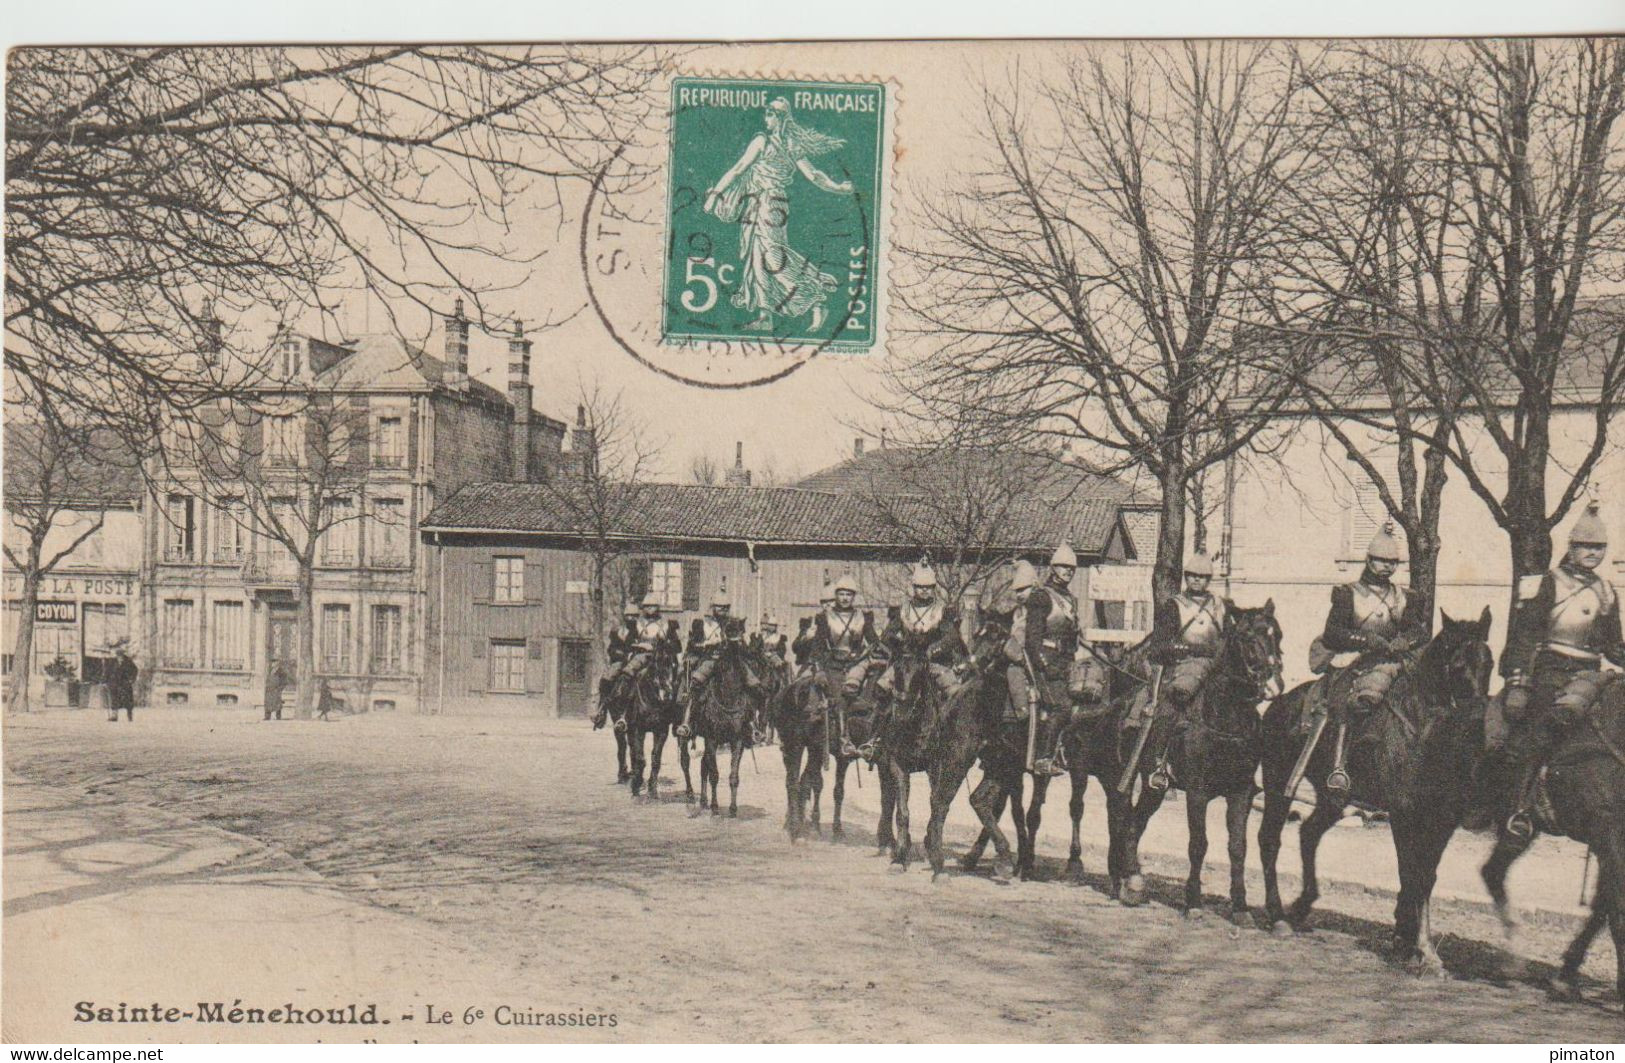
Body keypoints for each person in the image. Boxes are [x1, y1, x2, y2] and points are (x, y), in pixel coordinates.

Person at [1494, 501, 1625, 839]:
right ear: (1572, 547)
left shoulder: (1607, 592)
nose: (1593, 553)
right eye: (1586, 546)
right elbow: (1524, 636)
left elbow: (1613, 646)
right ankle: (1521, 808)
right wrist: (1520, 683)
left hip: (1591, 675)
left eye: (1599, 548)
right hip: (1551, 671)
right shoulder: (1549, 583)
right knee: (1545, 726)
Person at [704, 97, 853, 333]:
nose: (767, 118)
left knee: (772, 256)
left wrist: (715, 194)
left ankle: (816, 298)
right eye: (766, 113)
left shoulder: (764, 142)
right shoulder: (789, 144)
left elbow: (739, 168)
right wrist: (838, 187)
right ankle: (765, 316)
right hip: (770, 204)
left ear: (781, 118)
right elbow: (813, 175)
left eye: (771, 114)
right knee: (758, 257)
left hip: (767, 203)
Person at [1311, 522, 1429, 793]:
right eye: (1381, 561)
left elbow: (1418, 630)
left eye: (1392, 562)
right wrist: (1366, 640)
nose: (1387, 566)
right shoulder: (1347, 594)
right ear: (1368, 560)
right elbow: (1333, 633)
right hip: (1354, 659)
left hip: (1392, 661)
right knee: (1343, 700)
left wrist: (1405, 640)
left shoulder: (1404, 597)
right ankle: (1339, 767)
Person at [1142, 554, 1229, 791]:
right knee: (1170, 708)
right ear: (1187, 577)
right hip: (1181, 667)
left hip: (1213, 669)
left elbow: (1228, 639)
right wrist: (1180, 649)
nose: (1197, 581)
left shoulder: (1220, 606)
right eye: (1193, 576)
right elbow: (1158, 647)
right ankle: (1160, 763)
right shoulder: (1174, 606)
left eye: (1202, 577)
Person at [1012, 543, 1082, 776]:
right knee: (1061, 707)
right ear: (1053, 568)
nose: (1068, 571)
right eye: (1063, 567)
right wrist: (1045, 665)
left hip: (1065, 662)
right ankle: (1043, 758)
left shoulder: (1070, 599)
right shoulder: (1041, 596)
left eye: (1071, 568)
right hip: (1044, 662)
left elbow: (1071, 636)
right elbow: (1032, 639)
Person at [805, 574, 880, 757]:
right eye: (842, 594)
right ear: (836, 595)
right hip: (834, 665)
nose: (845, 598)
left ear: (854, 597)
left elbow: (873, 641)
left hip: (857, 664)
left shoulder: (863, 617)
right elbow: (818, 646)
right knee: (839, 697)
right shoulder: (825, 618)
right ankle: (844, 739)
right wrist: (820, 669)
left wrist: (879, 650)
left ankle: (872, 739)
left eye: (849, 594)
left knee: (877, 692)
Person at [877, 563, 963, 701]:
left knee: (954, 692)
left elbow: (951, 637)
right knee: (881, 687)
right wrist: (899, 647)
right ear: (914, 587)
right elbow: (887, 635)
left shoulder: (941, 611)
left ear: (933, 588)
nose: (924, 590)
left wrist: (933, 649)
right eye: (920, 586)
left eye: (928, 587)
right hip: (906, 663)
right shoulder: (903, 610)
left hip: (933, 662)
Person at [591, 599, 643, 728]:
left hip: (637, 662)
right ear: (625, 617)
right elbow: (611, 649)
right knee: (606, 679)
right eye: (629, 616)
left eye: (635, 616)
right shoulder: (617, 631)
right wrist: (623, 655)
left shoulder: (641, 632)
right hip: (620, 662)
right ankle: (601, 710)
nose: (632, 618)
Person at [106, 640, 138, 723]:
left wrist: (132, 679)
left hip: (125, 683)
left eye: (121, 655)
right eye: (118, 655)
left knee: (128, 700)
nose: (119, 656)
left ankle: (129, 715)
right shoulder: (112, 661)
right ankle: (114, 716)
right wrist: (106, 681)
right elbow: (108, 671)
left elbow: (135, 670)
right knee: (114, 699)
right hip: (115, 683)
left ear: (123, 654)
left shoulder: (128, 661)